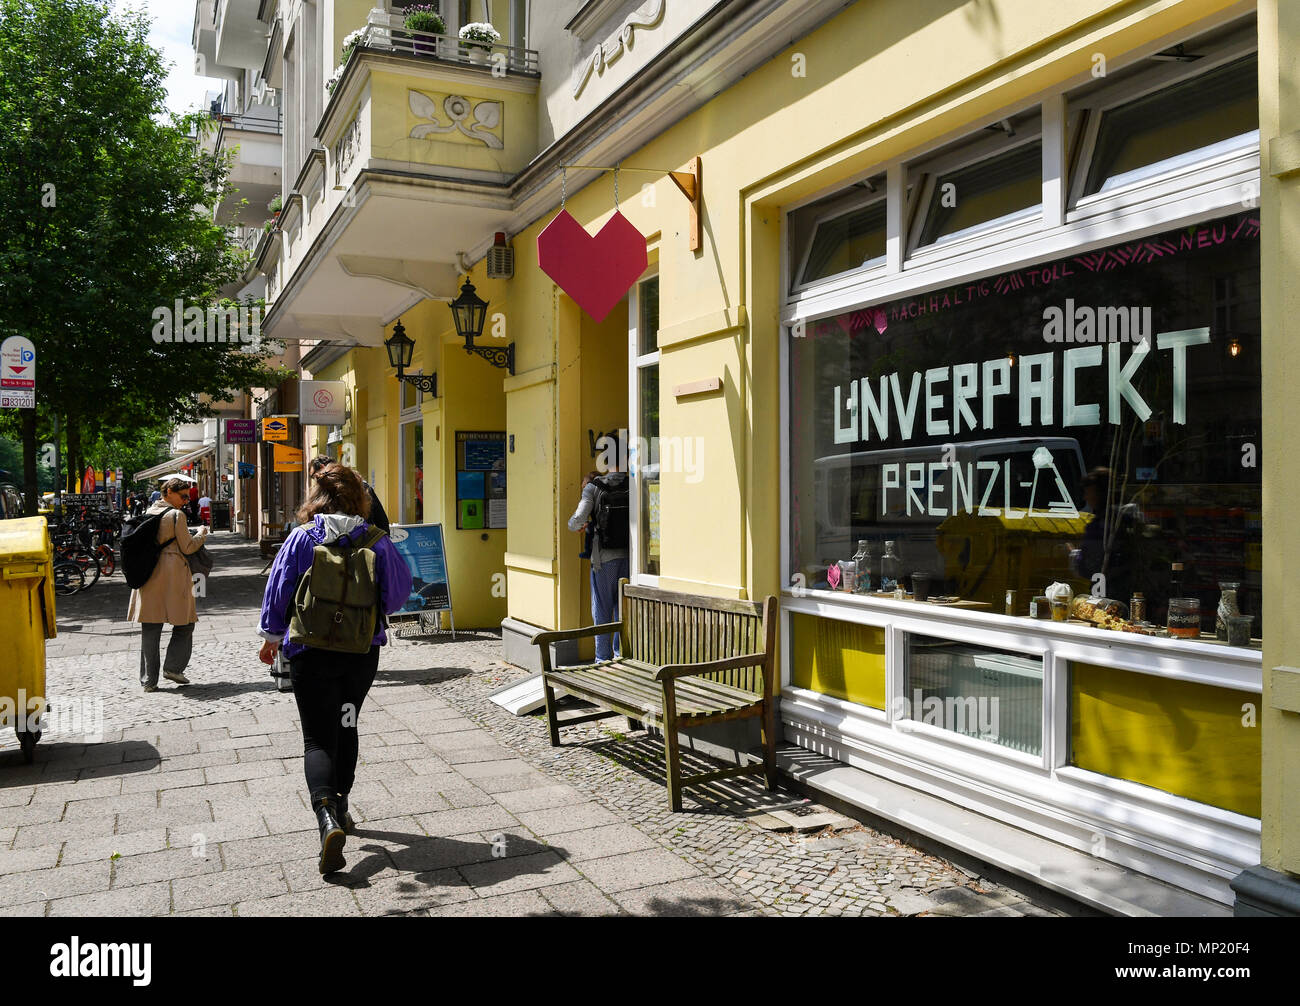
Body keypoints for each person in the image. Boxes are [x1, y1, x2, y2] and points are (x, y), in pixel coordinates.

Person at [257, 463, 411, 874]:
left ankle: (326, 817)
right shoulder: (377, 540)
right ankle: (341, 808)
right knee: (347, 724)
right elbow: (397, 596)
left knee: (317, 739)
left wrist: (272, 638)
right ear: (360, 498)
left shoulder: (303, 538)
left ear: (316, 497)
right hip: (360, 653)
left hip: (310, 650)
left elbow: (279, 588)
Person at [127, 477, 209, 691]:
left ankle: (149, 681)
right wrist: (201, 534)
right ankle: (173, 667)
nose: (185, 501)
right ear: (169, 492)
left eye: (187, 497)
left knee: (151, 627)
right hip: (173, 574)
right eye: (183, 496)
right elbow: (188, 547)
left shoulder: (148, 512)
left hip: (148, 573)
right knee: (185, 623)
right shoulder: (176, 515)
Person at [567, 469, 629, 661]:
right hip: (632, 558)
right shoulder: (632, 483)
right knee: (623, 607)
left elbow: (576, 521)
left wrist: (579, 525)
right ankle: (621, 655)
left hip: (604, 559)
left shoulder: (593, 489)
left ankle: (603, 659)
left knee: (602, 608)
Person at [308, 456, 389, 532]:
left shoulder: (324, 490)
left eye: (314, 476)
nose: (316, 480)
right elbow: (382, 521)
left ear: (322, 467)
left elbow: (381, 520)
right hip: (362, 539)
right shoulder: (361, 485)